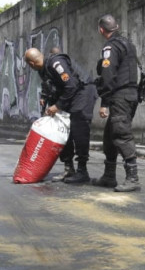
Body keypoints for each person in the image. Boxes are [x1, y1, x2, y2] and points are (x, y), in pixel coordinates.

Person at [24, 46, 97, 184]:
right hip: (70, 95)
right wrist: (45, 98)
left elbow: (71, 85)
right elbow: (50, 85)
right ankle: (69, 168)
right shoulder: (42, 69)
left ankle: (82, 171)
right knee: (62, 130)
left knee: (78, 130)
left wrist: (57, 106)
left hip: (83, 92)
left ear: (31, 63)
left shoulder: (56, 63)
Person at [93, 15, 141, 192]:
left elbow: (108, 74)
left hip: (120, 96)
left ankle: (133, 178)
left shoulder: (111, 46)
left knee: (121, 134)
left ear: (101, 30)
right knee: (109, 136)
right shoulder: (127, 43)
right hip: (130, 95)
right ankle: (109, 176)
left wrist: (104, 102)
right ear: (117, 26)